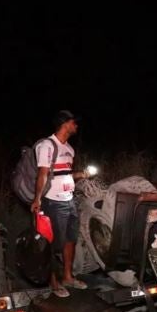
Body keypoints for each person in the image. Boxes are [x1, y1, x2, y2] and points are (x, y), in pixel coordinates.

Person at [31, 110, 93, 297]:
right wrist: (37, 198)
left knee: (70, 240)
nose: (76, 126)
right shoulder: (47, 146)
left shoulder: (70, 149)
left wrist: (81, 174)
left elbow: (63, 173)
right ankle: (54, 282)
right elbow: (43, 174)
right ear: (65, 123)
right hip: (52, 201)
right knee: (51, 243)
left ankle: (67, 276)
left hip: (69, 200)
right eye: (74, 122)